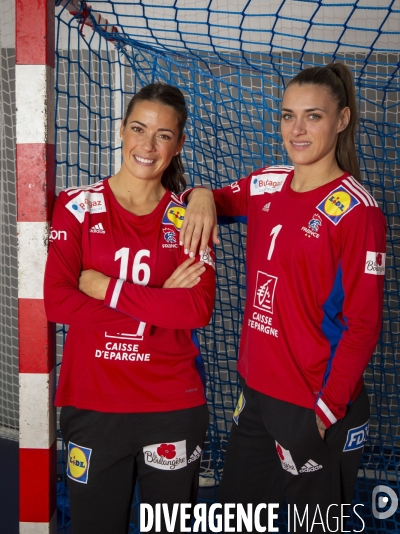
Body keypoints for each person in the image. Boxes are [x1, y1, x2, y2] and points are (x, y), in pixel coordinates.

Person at [179, 63, 386, 531]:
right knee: (239, 518)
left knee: (317, 525)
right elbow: (208, 200)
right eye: (287, 115)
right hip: (256, 395)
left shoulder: (357, 211)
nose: (296, 129)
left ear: (342, 119)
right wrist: (201, 196)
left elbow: (364, 325)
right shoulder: (267, 182)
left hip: (312, 404)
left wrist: (327, 411)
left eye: (313, 116)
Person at [44, 83, 216, 534]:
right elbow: (59, 301)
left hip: (171, 404)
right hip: (94, 403)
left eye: (163, 135)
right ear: (121, 130)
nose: (147, 144)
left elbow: (197, 309)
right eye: (139, 128)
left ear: (178, 145)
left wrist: (106, 289)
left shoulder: (188, 217)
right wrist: (162, 300)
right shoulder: (77, 207)